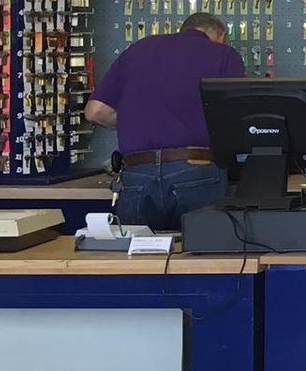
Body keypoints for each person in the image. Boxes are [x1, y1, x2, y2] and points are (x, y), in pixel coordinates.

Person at [84, 12, 243, 229]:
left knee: (138, 249)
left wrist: (137, 121)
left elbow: (94, 111)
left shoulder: (138, 50)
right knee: (203, 247)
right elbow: (235, 114)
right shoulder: (223, 54)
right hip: (196, 170)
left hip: (137, 173)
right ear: (220, 36)